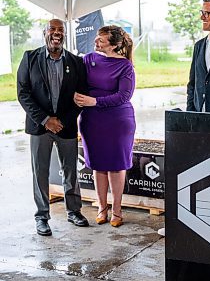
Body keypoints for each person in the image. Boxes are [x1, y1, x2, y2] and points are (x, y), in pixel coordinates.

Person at [17, 19, 89, 236]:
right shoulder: (30, 58)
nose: (56, 33)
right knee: (40, 172)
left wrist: (63, 121)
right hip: (40, 127)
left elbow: (81, 97)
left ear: (64, 34)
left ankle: (74, 211)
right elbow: (23, 93)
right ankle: (42, 216)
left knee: (71, 171)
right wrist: (45, 120)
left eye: (60, 30)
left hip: (65, 127)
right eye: (52, 29)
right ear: (45, 33)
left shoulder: (76, 62)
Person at [74, 25, 136, 228]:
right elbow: (77, 82)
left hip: (118, 120)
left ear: (115, 45)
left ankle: (117, 211)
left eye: (101, 39)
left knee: (117, 166)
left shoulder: (125, 66)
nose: (96, 42)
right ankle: (102, 208)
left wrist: (95, 102)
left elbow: (124, 95)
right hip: (92, 120)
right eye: (97, 38)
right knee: (98, 165)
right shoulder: (88, 59)